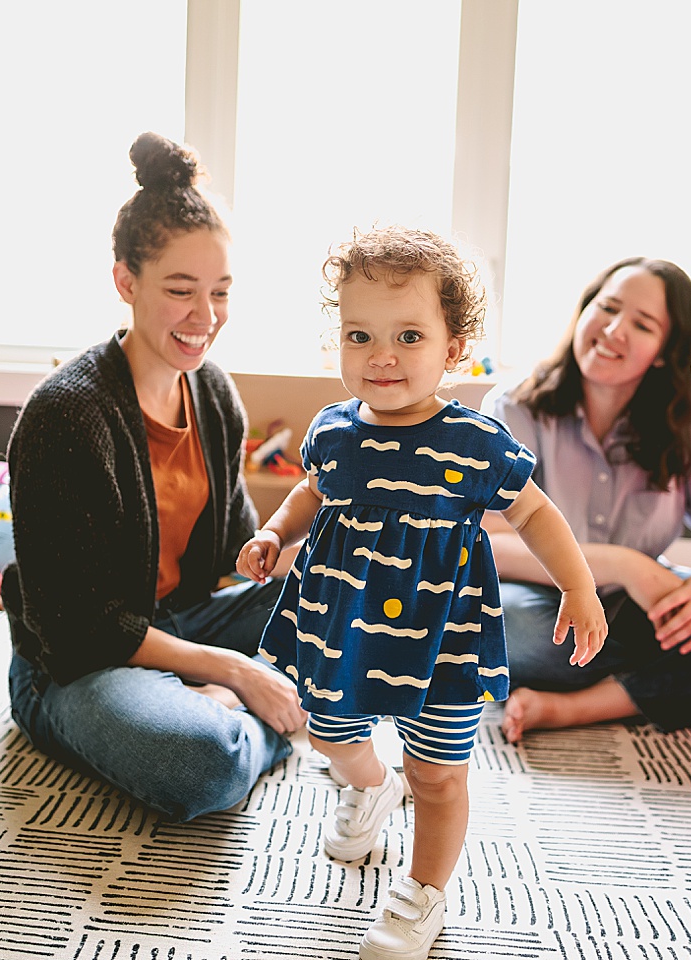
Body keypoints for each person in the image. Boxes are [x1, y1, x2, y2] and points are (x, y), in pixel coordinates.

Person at [236, 226, 607, 960]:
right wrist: (275, 533)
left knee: (437, 774)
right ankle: (369, 785)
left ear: (454, 347)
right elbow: (312, 492)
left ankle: (423, 890)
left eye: (409, 335)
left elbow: (532, 511)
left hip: (442, 638)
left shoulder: (474, 442)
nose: (382, 356)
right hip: (340, 622)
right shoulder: (333, 430)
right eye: (359, 334)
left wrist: (579, 583)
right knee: (329, 733)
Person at [0, 132, 306, 822]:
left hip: (180, 623)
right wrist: (234, 671)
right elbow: (83, 630)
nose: (206, 318)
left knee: (351, 600)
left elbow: (233, 554)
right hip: (79, 664)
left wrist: (317, 538)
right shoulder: (66, 415)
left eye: (221, 292)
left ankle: (246, 702)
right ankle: (258, 713)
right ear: (125, 282)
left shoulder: (215, 395)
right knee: (200, 763)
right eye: (181, 291)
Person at [479, 256, 691, 743]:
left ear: (666, 351)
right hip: (542, 602)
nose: (614, 329)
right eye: (607, 307)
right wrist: (625, 566)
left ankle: (578, 707)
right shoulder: (513, 407)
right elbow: (490, 547)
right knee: (509, 627)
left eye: (642, 324)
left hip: (638, 613)